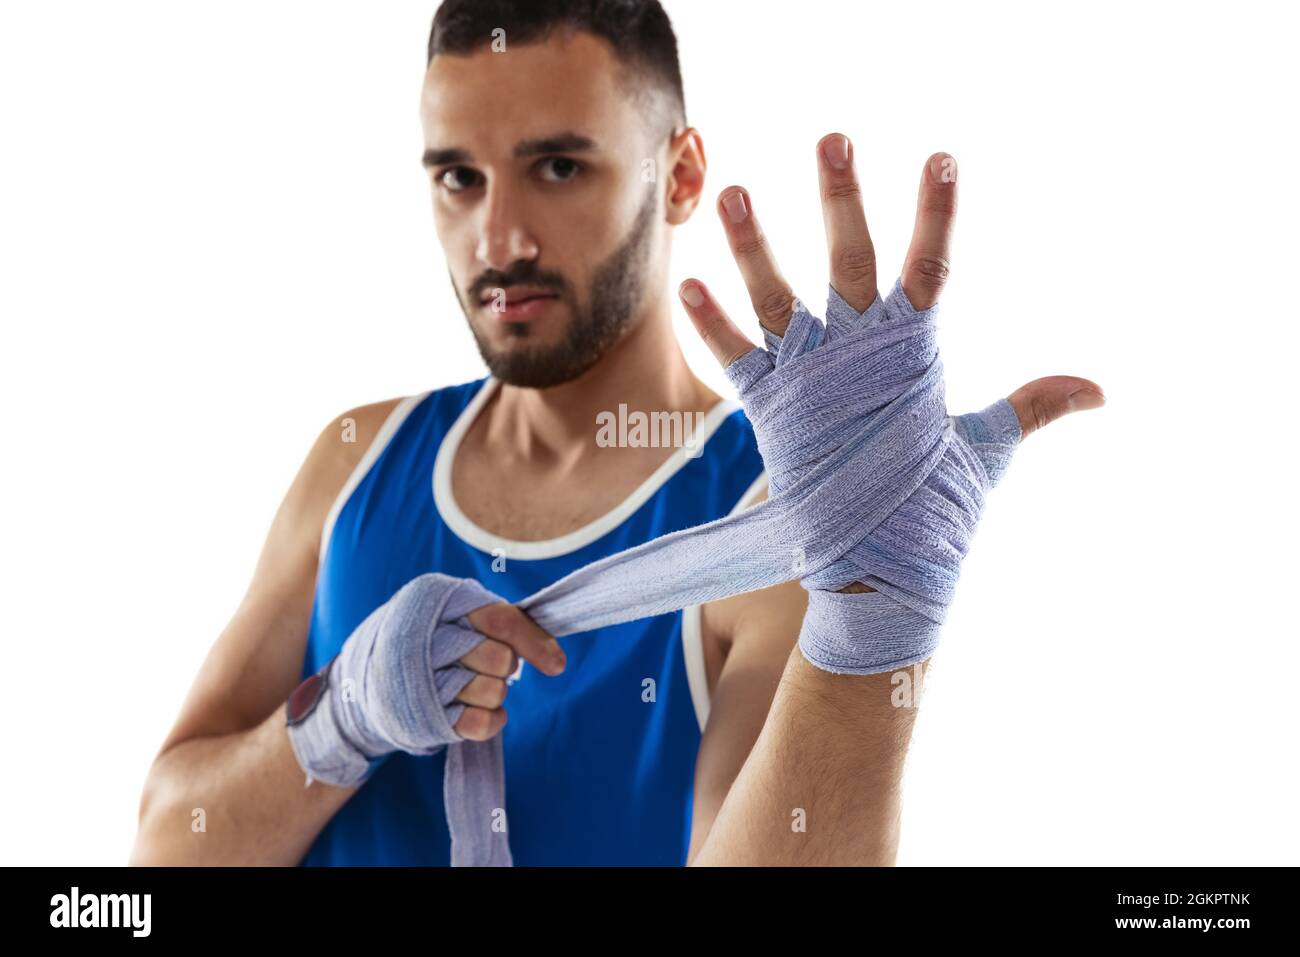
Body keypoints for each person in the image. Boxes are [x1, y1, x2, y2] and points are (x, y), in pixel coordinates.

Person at [131, 0, 1102, 866]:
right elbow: (163, 853)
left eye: (558, 166)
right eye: (458, 178)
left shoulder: (772, 519)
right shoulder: (356, 462)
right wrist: (333, 722)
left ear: (679, 176)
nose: (499, 238)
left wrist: (870, 624)